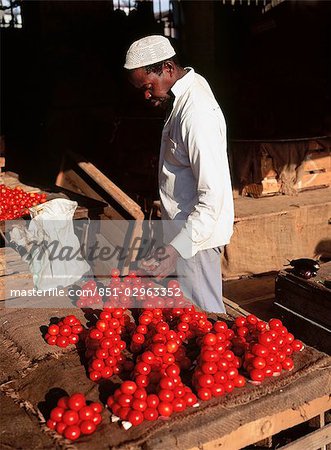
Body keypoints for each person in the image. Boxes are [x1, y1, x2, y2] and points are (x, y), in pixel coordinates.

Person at [124, 35, 234, 313]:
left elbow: (213, 196)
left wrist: (176, 249)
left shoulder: (196, 114)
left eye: (148, 87)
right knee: (190, 317)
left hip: (195, 238)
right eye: (141, 90)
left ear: (168, 69)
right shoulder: (184, 92)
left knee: (205, 319)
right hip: (184, 233)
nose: (146, 95)